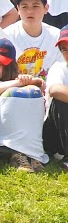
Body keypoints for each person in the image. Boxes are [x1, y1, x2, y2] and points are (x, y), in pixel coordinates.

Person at [0, 38, 47, 172]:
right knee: (17, 94)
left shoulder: (17, 82)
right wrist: (20, 83)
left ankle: (27, 154)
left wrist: (34, 84)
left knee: (32, 92)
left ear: (9, 66)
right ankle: (18, 154)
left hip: (16, 132)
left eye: (0, 63)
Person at [4, 0, 60, 79]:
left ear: (46, 8)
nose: (30, 11)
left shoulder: (57, 36)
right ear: (18, 9)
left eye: (35, 6)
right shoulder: (6, 36)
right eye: (24, 7)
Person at [42, 25, 68, 168]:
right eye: (64, 49)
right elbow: (55, 90)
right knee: (61, 100)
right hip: (55, 134)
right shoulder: (59, 67)